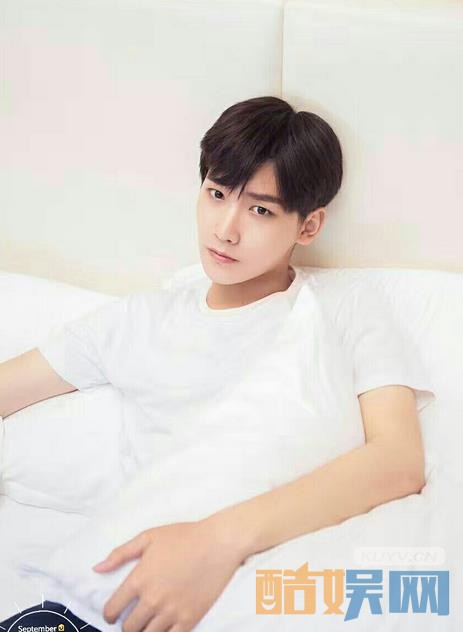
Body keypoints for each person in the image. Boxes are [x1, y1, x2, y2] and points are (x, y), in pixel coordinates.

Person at [0, 95, 434, 632]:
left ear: (308, 226)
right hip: (107, 597)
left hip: (254, 596)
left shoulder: (343, 308)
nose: (225, 229)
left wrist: (216, 540)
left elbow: (398, 461)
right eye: (216, 193)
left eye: (260, 210)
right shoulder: (140, 320)